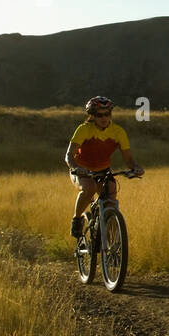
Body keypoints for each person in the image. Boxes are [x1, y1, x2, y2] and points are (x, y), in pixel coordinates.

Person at [66, 96, 144, 238]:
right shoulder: (84, 129)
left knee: (110, 201)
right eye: (99, 115)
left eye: (107, 114)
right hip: (82, 169)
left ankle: (111, 243)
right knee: (90, 189)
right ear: (92, 116)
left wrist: (135, 167)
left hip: (103, 170)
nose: (104, 118)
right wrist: (75, 167)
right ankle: (77, 219)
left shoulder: (118, 132)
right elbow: (69, 154)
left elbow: (129, 159)